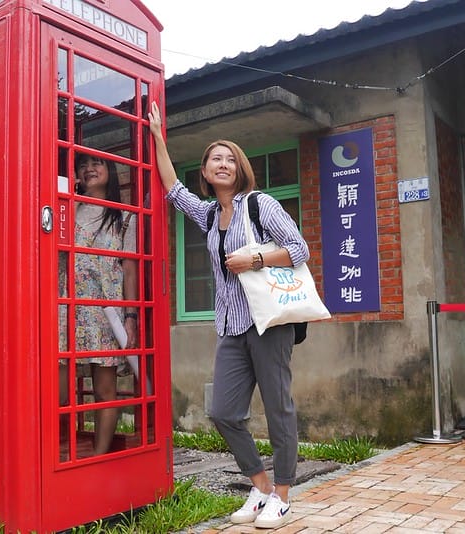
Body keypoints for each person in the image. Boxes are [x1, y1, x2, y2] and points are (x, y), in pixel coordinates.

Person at [148, 101, 307, 529]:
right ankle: (260, 487)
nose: (223, 163)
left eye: (230, 158)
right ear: (204, 171)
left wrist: (255, 259)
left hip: (269, 323)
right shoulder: (208, 214)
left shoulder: (261, 205)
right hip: (231, 326)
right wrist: (158, 136)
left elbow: (299, 249)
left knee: (278, 409)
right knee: (222, 411)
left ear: (240, 169)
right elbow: (171, 188)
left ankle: (284, 497)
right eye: (214, 159)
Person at [69, 152, 138, 455]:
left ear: (110, 170)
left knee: (104, 391)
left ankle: (99, 456)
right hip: (69, 308)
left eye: (96, 163)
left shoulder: (124, 216)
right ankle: (62, 451)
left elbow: (130, 266)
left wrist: (131, 315)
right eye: (82, 165)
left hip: (107, 312)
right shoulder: (68, 209)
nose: (89, 169)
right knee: (59, 390)